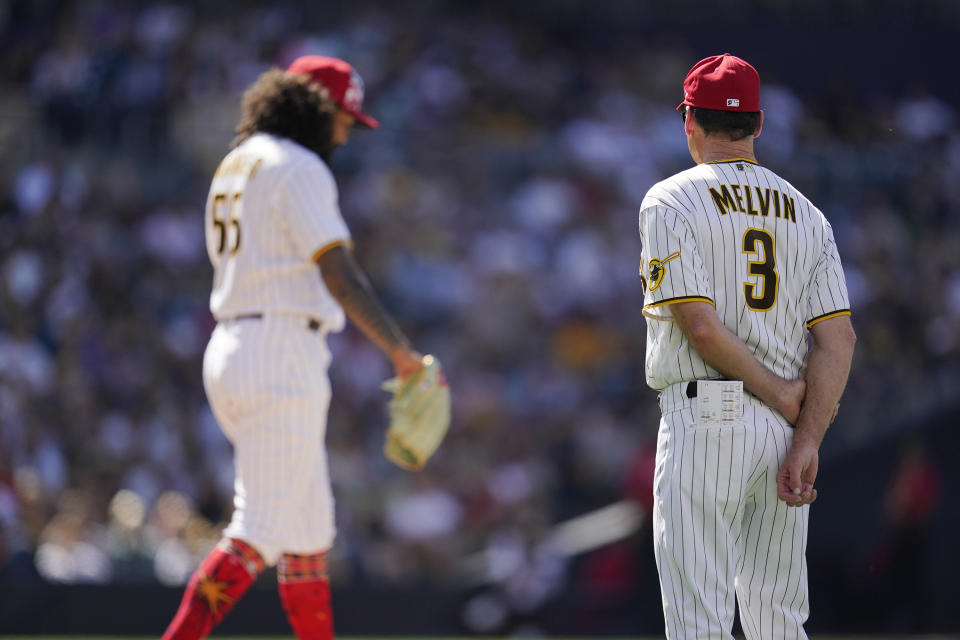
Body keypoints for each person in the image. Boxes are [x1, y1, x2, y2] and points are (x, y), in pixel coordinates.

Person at [161, 55, 425, 640]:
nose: (346, 131)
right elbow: (339, 273)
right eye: (343, 117)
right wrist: (401, 352)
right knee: (258, 531)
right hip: (279, 350)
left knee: (306, 536)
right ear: (314, 106)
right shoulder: (298, 165)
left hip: (238, 343)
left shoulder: (236, 163)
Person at [637, 53, 856, 639]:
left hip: (708, 417)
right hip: (785, 437)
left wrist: (783, 393)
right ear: (758, 124)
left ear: (689, 121)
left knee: (698, 624)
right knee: (779, 622)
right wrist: (807, 436)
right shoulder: (808, 216)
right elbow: (839, 339)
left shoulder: (671, 199)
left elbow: (700, 328)